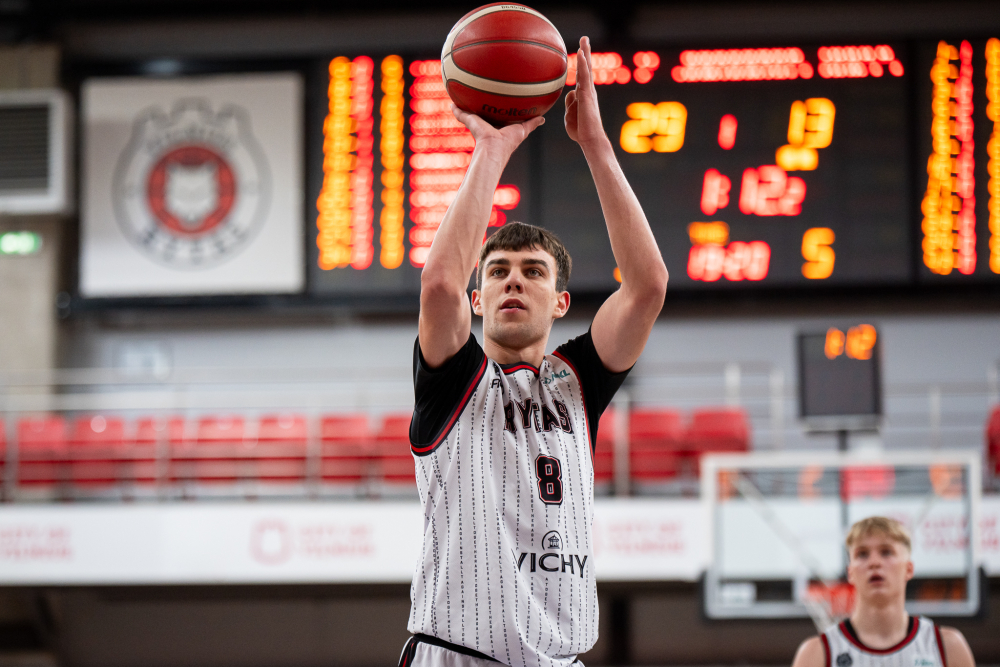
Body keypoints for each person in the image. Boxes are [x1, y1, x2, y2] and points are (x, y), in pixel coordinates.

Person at [398, 36, 668, 667]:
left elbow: (648, 286)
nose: (513, 281)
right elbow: (438, 285)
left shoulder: (577, 382)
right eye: (497, 272)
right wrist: (491, 150)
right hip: (458, 653)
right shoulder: (454, 381)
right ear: (478, 299)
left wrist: (595, 144)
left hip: (560, 658)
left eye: (533, 272)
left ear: (561, 301)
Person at [791, 516, 975, 667]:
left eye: (886, 552)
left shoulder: (947, 647)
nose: (874, 562)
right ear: (850, 572)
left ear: (909, 569)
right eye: (862, 554)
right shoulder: (816, 654)